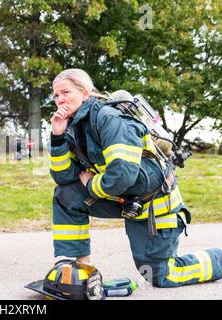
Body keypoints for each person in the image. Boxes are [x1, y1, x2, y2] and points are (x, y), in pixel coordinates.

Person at [49, 68, 222, 288]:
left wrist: (91, 184)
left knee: (161, 275)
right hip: (124, 199)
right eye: (56, 95)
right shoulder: (71, 127)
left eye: (66, 92)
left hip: (154, 206)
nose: (60, 99)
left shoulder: (109, 119)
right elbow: (64, 177)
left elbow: (123, 175)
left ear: (85, 93)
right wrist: (57, 137)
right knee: (66, 195)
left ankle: (219, 260)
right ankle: (81, 271)